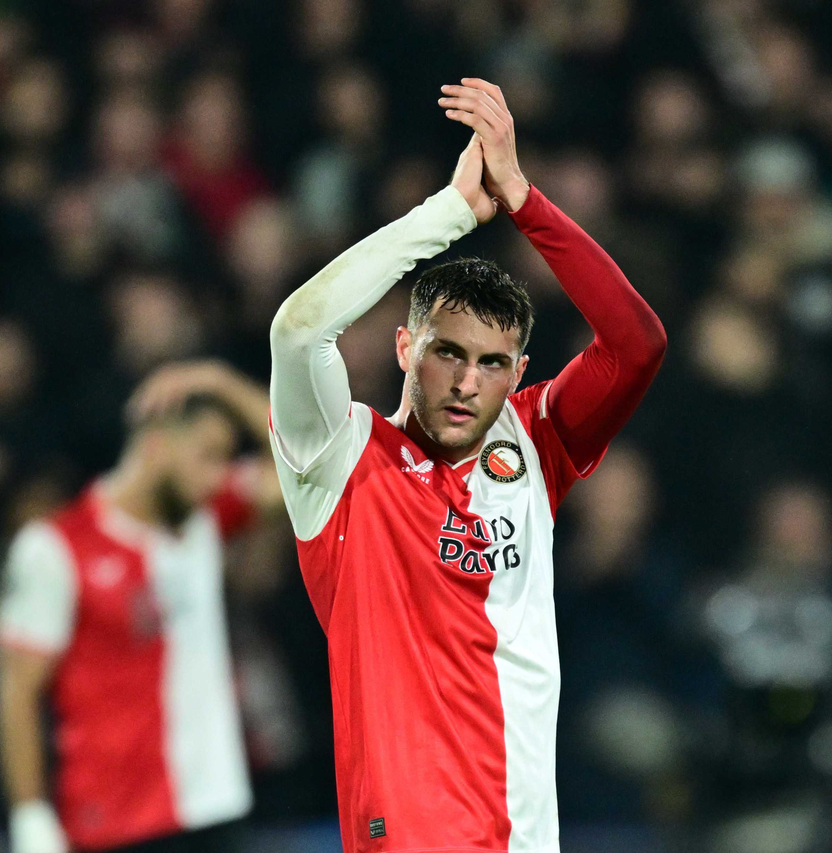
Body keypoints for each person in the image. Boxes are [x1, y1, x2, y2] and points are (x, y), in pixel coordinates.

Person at [268, 78, 666, 852]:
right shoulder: (338, 458)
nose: (465, 382)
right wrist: (448, 214)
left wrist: (523, 198)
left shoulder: (535, 441)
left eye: (491, 363)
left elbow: (637, 343)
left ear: (518, 373)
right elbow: (298, 330)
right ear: (404, 348)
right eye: (446, 352)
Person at [0, 361, 283, 853]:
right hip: (116, 822)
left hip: (215, 806)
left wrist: (221, 382)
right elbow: (17, 693)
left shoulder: (205, 518)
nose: (218, 475)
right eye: (207, 456)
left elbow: (309, 464)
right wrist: (30, 816)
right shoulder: (56, 548)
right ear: (155, 446)